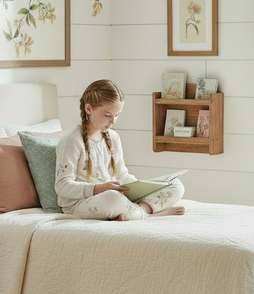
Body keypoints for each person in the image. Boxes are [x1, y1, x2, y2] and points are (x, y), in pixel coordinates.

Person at [55, 79, 185, 221]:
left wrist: (139, 187)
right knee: (113, 199)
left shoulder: (113, 137)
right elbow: (62, 186)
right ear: (89, 109)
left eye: (117, 115)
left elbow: (121, 175)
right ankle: (149, 214)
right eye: (108, 115)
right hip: (80, 203)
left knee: (176, 185)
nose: (113, 122)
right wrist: (98, 188)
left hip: (114, 194)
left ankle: (140, 210)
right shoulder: (72, 140)